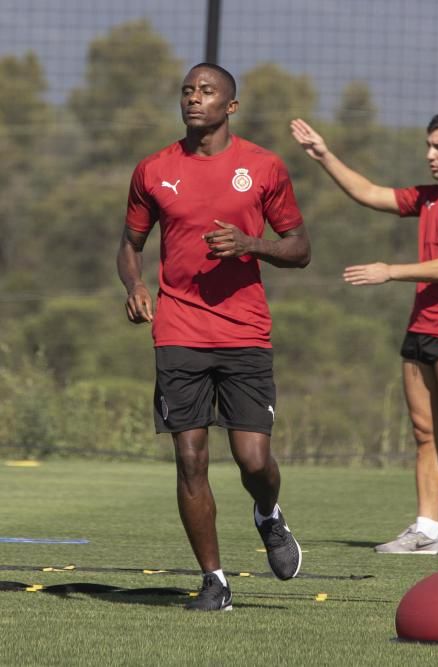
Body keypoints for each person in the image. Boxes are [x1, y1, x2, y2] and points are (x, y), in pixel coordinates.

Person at [117, 63, 310, 611]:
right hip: (177, 329)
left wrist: (252, 244)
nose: (193, 98)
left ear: (231, 106)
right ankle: (215, 581)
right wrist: (134, 285)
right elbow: (129, 245)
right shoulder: (153, 170)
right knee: (191, 458)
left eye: (206, 91)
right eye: (187, 91)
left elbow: (299, 248)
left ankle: (268, 514)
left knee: (253, 461)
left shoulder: (263, 167)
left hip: (245, 331)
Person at [290, 110, 438, 557]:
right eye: (427, 145)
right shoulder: (428, 199)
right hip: (420, 329)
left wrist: (389, 271)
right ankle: (427, 530)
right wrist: (324, 155)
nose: (429, 155)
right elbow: (369, 193)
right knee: (425, 433)